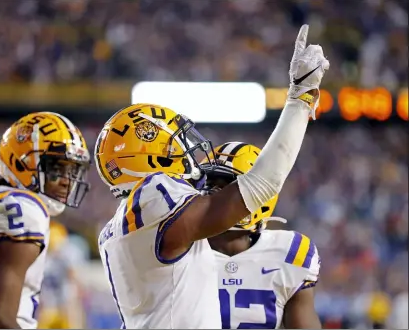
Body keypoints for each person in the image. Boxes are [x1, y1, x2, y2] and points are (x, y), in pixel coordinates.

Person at [95, 24, 329, 328]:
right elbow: (260, 184)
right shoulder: (155, 195)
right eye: (173, 144)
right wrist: (300, 100)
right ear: (149, 154)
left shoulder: (117, 227)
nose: (186, 152)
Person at [0, 112, 91, 329]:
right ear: (23, 163)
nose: (66, 183)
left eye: (71, 171)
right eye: (57, 169)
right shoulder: (26, 210)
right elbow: (0, 321)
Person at [202, 142, 321, 329]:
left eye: (225, 187)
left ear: (260, 196)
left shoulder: (289, 253)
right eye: (208, 184)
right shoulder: (176, 247)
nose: (211, 194)